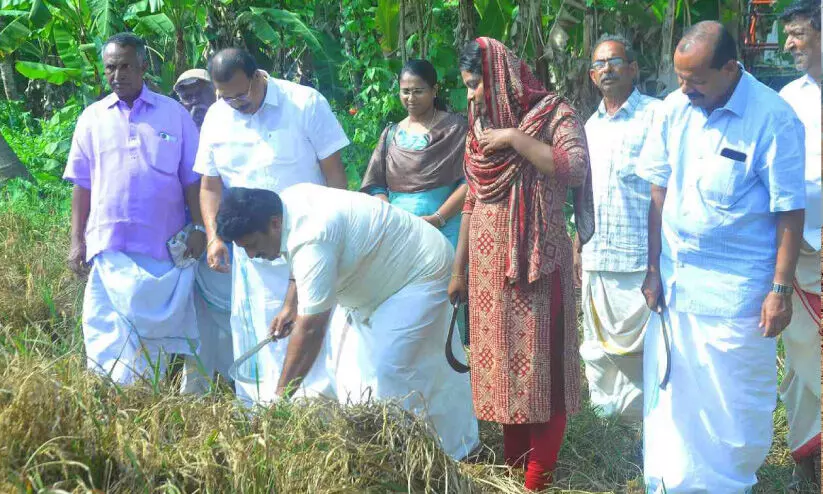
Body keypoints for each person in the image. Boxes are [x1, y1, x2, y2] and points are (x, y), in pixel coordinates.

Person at [637, 21, 806, 493]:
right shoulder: (674, 110)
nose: (684, 89)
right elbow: (657, 191)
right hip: (675, 284)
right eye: (680, 78)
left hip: (739, 297)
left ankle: (728, 485)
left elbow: (789, 211)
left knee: (731, 405)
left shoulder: (773, 118)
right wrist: (652, 269)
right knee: (672, 397)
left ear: (731, 68)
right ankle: (671, 483)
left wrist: (780, 290)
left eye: (696, 81)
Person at [214, 184, 480, 459]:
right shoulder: (286, 203)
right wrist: (290, 305)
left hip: (419, 271)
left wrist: (279, 397)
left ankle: (438, 455)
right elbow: (297, 256)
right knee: (344, 370)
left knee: (389, 371)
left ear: (274, 223)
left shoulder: (312, 234)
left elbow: (312, 328)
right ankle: (382, 452)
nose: (252, 255)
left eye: (253, 245)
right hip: (375, 279)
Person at [448, 38, 594, 490]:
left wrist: (514, 138)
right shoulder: (480, 122)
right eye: (467, 88)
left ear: (497, 78)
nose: (470, 96)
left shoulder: (554, 113)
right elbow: (473, 196)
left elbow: (574, 168)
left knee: (541, 377)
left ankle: (536, 480)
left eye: (475, 86)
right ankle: (513, 474)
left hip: (537, 268)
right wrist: (459, 270)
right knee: (504, 378)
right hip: (490, 277)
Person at [194, 48, 349, 405]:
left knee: (316, 327)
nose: (235, 103)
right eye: (225, 97)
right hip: (252, 257)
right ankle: (263, 412)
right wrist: (216, 238)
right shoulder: (217, 118)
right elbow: (210, 186)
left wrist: (339, 231)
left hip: (310, 245)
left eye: (241, 94)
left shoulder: (304, 103)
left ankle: (319, 413)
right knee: (259, 335)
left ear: (257, 75)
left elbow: (335, 175)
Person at [64, 33, 204, 384]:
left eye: (126, 66)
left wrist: (201, 229)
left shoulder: (174, 115)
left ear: (143, 66)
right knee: (108, 332)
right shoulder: (91, 119)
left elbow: (193, 181)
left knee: (158, 336)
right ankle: (113, 401)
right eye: (110, 67)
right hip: (109, 247)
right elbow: (82, 185)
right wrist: (76, 241)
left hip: (163, 248)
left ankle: (155, 400)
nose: (117, 74)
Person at [576, 34, 660, 422]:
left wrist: (657, 265)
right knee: (596, 350)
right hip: (597, 257)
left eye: (614, 61)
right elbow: (583, 195)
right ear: (592, 77)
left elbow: (668, 191)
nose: (606, 69)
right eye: (598, 65)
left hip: (641, 260)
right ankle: (606, 428)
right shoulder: (588, 127)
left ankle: (650, 428)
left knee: (648, 354)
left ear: (633, 69)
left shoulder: (658, 116)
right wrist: (580, 249)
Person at [777, 0, 822, 487]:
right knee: (803, 356)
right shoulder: (787, 100)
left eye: (798, 33)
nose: (789, 44)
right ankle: (806, 467)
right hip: (803, 251)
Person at [360, 59, 468, 247]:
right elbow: (375, 186)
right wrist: (391, 217)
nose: (411, 98)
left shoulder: (455, 129)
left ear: (434, 91)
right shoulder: (390, 134)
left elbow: (470, 182)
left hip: (444, 232)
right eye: (406, 92)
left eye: (418, 91)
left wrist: (438, 218)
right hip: (398, 235)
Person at [171, 68, 233, 394]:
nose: (194, 102)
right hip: (185, 241)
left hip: (229, 237)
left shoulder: (231, 122)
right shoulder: (173, 130)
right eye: (186, 96)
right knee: (194, 318)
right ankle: (196, 389)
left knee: (231, 312)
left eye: (200, 93)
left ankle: (239, 384)